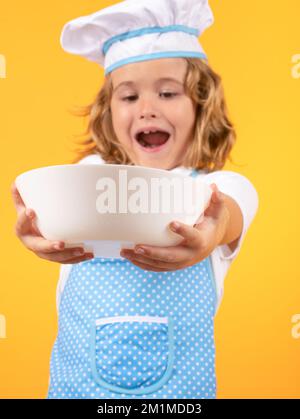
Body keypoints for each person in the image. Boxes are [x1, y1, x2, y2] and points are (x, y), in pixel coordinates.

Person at [11, 0, 259, 399]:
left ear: (201, 105)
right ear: (108, 114)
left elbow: (230, 211)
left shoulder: (216, 191)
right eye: (128, 98)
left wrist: (211, 234)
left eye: (167, 93)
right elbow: (46, 209)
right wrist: (36, 229)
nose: (146, 110)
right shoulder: (86, 179)